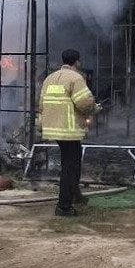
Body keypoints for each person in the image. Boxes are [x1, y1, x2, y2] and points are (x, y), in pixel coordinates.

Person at [38, 49, 100, 217]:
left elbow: (41, 105)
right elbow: (85, 103)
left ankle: (74, 197)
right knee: (70, 167)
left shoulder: (50, 78)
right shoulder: (76, 78)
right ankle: (64, 206)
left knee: (71, 163)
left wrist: (41, 125)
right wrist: (95, 108)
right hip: (69, 130)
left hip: (53, 129)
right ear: (77, 62)